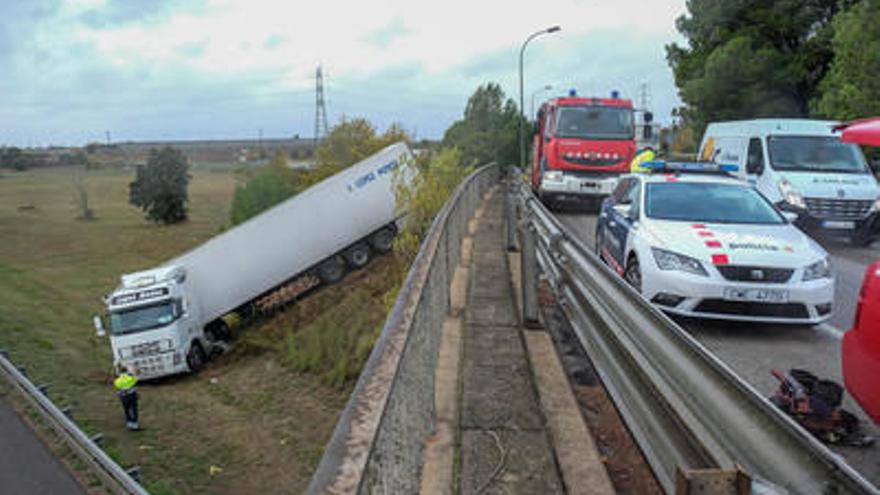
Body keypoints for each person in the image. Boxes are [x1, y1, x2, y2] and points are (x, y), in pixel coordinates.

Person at [114, 366, 139, 431]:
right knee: (133, 409)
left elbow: (118, 388)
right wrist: (134, 372)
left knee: (126, 410)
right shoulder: (130, 378)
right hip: (131, 395)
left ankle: (129, 424)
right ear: (126, 371)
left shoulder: (117, 381)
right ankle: (135, 425)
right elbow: (136, 379)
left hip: (123, 397)